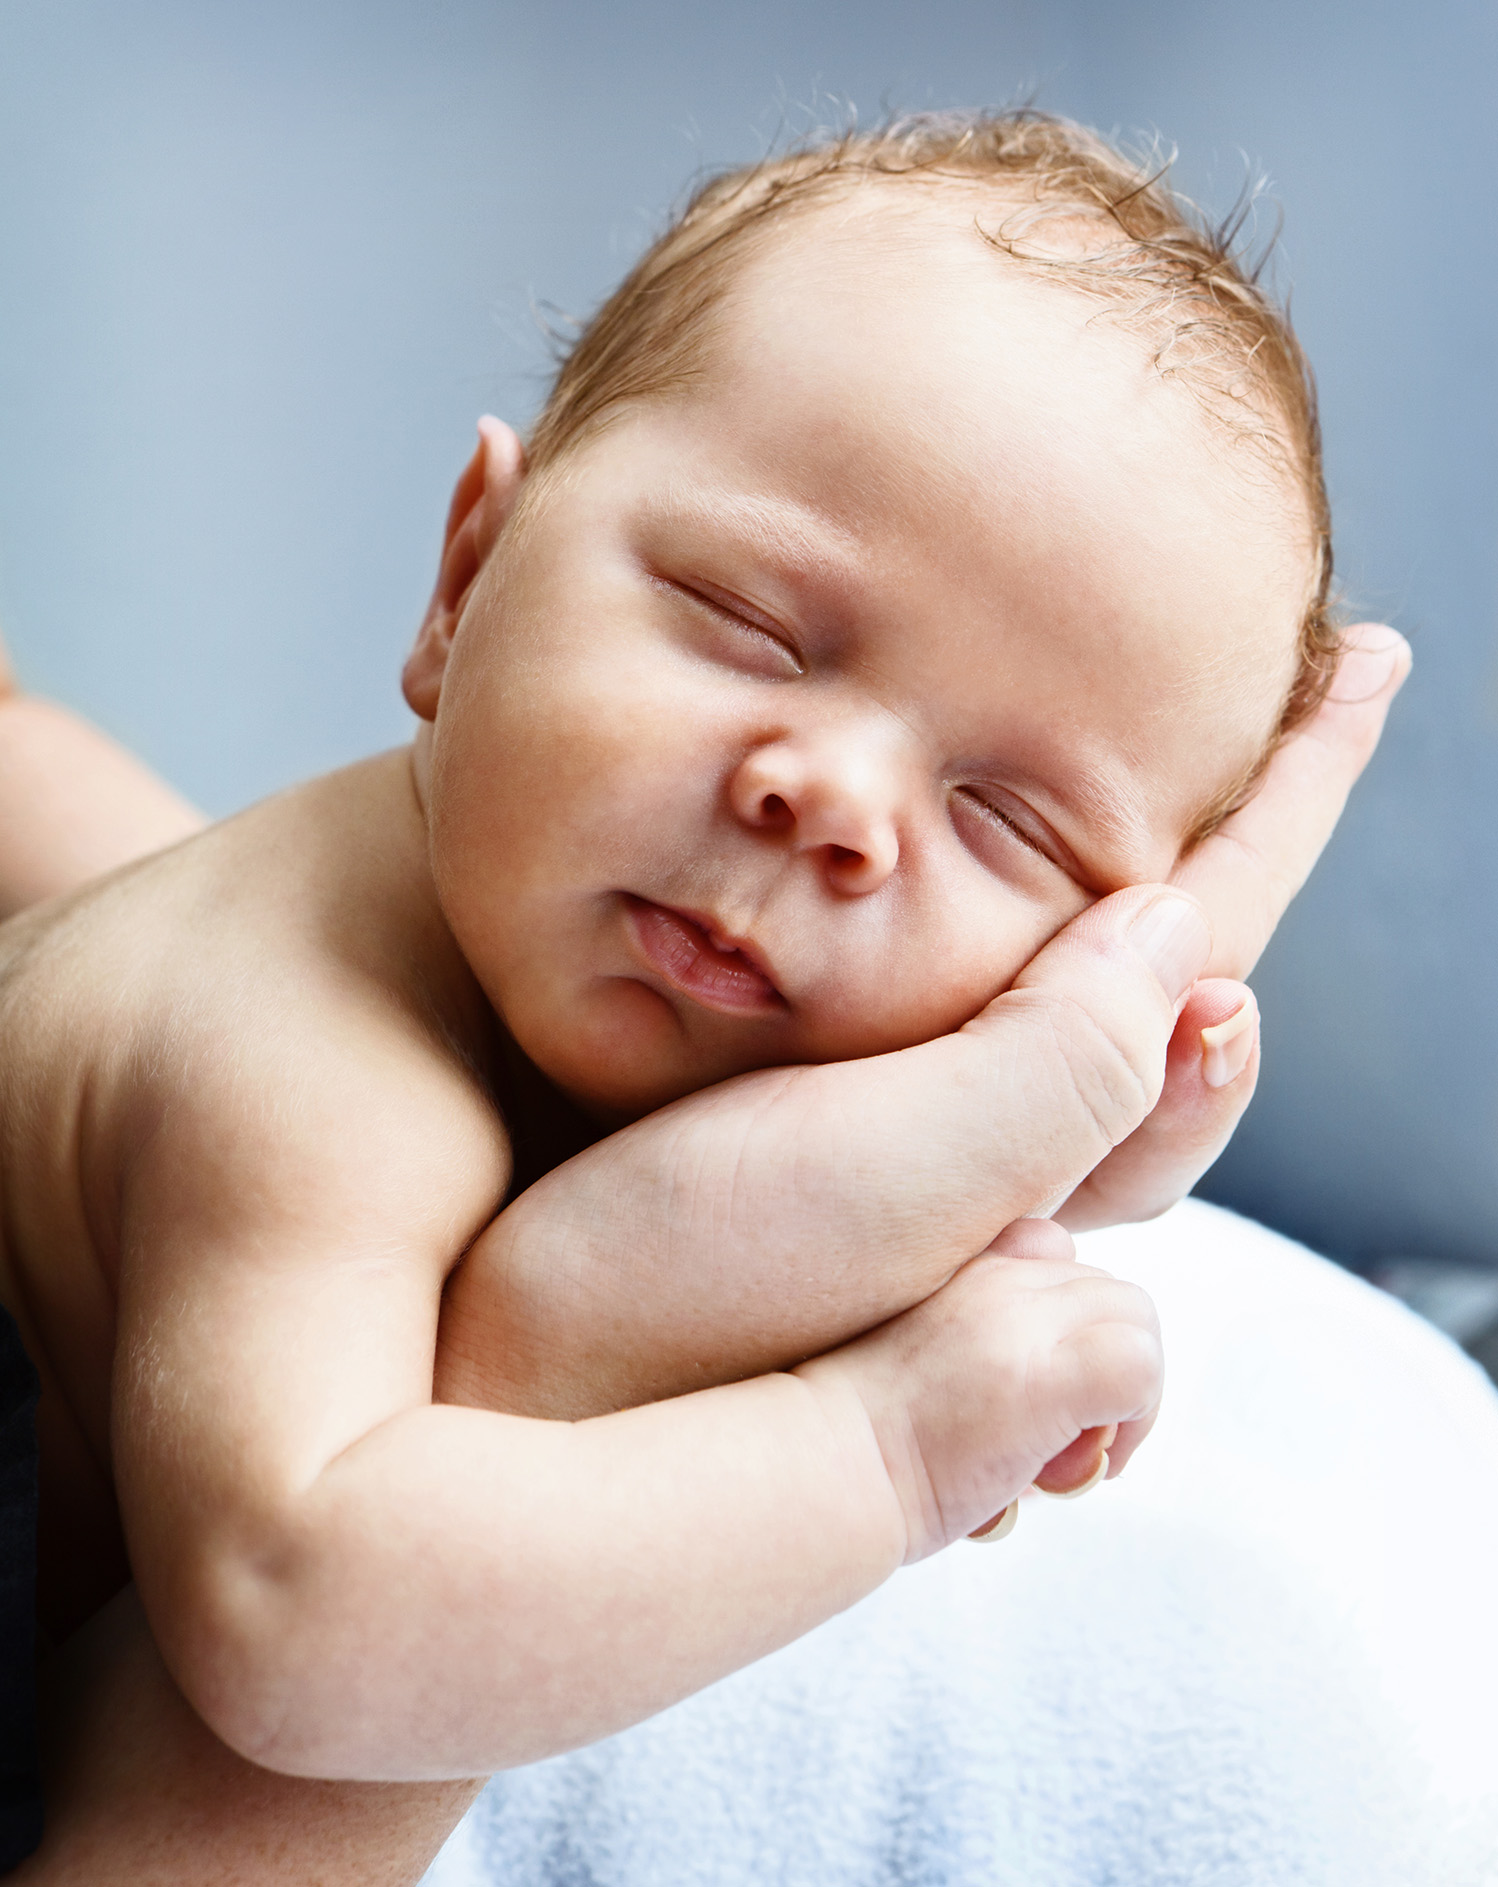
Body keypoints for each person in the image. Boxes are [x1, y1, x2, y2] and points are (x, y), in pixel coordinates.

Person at [0, 111, 1411, 1877]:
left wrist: (1012, 1146)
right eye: (748, 622)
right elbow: (301, 1623)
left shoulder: (566, 957)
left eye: (1005, 823)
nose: (827, 801)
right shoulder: (307, 1065)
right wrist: (876, 1450)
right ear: (464, 583)